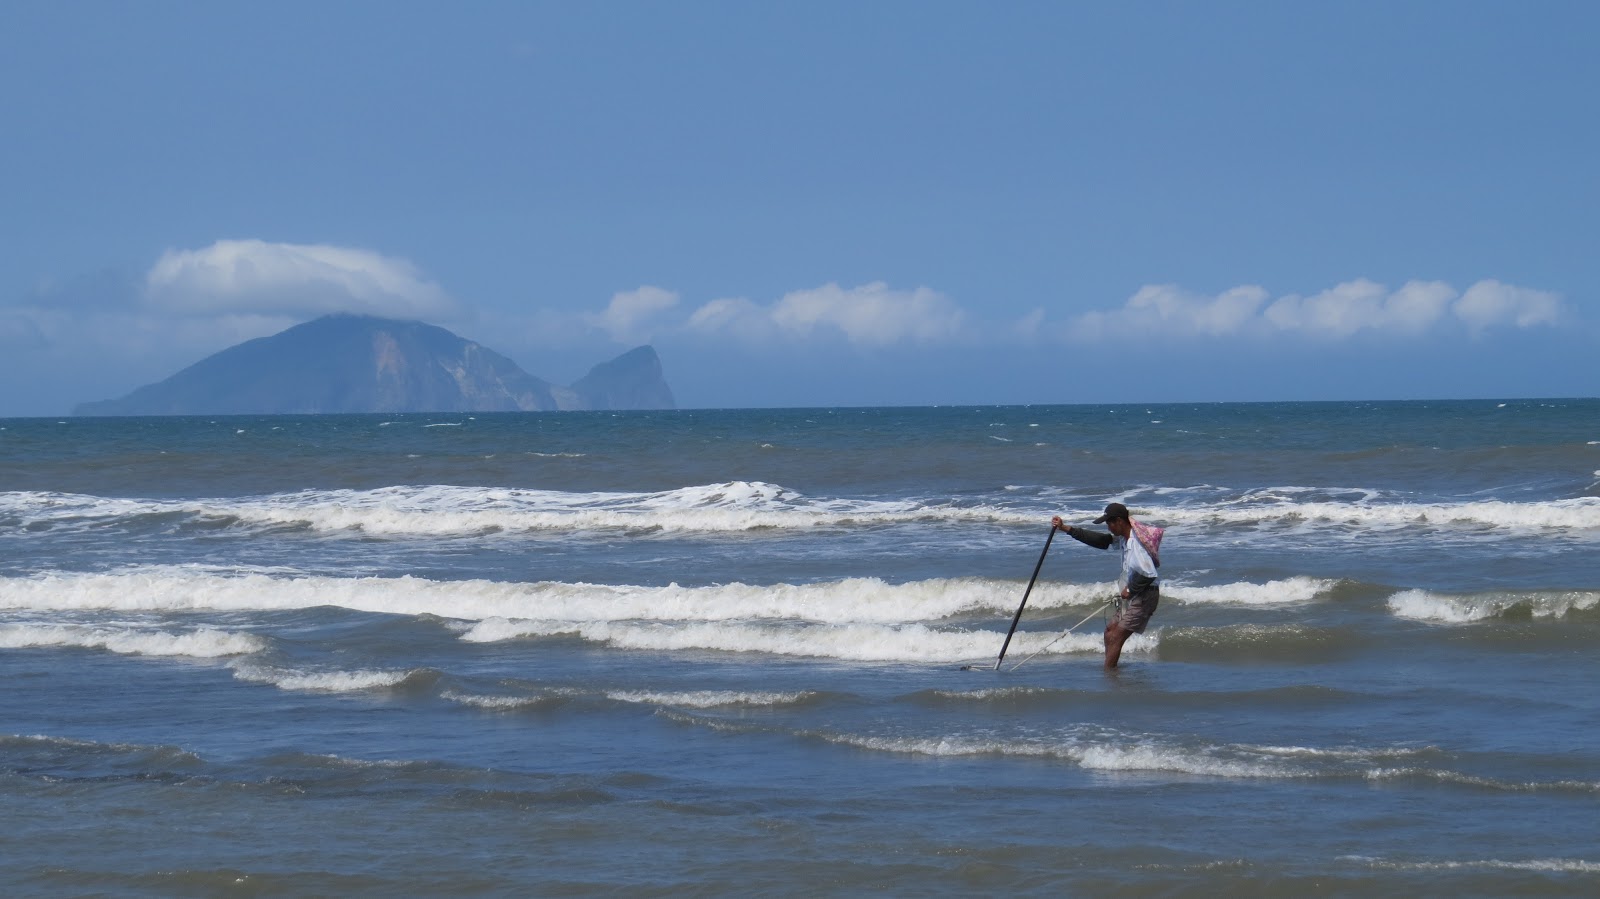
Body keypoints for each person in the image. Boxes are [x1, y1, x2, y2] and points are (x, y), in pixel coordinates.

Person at [1050, 502, 1163, 669]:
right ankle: (1112, 669)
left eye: (1109, 523)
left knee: (1117, 636)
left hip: (1145, 595)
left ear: (1119, 521)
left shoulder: (1136, 543)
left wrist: (1130, 589)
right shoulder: (1124, 538)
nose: (1108, 527)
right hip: (1135, 593)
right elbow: (1102, 541)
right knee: (1110, 632)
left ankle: (1108, 673)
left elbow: (1149, 573)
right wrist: (1066, 528)